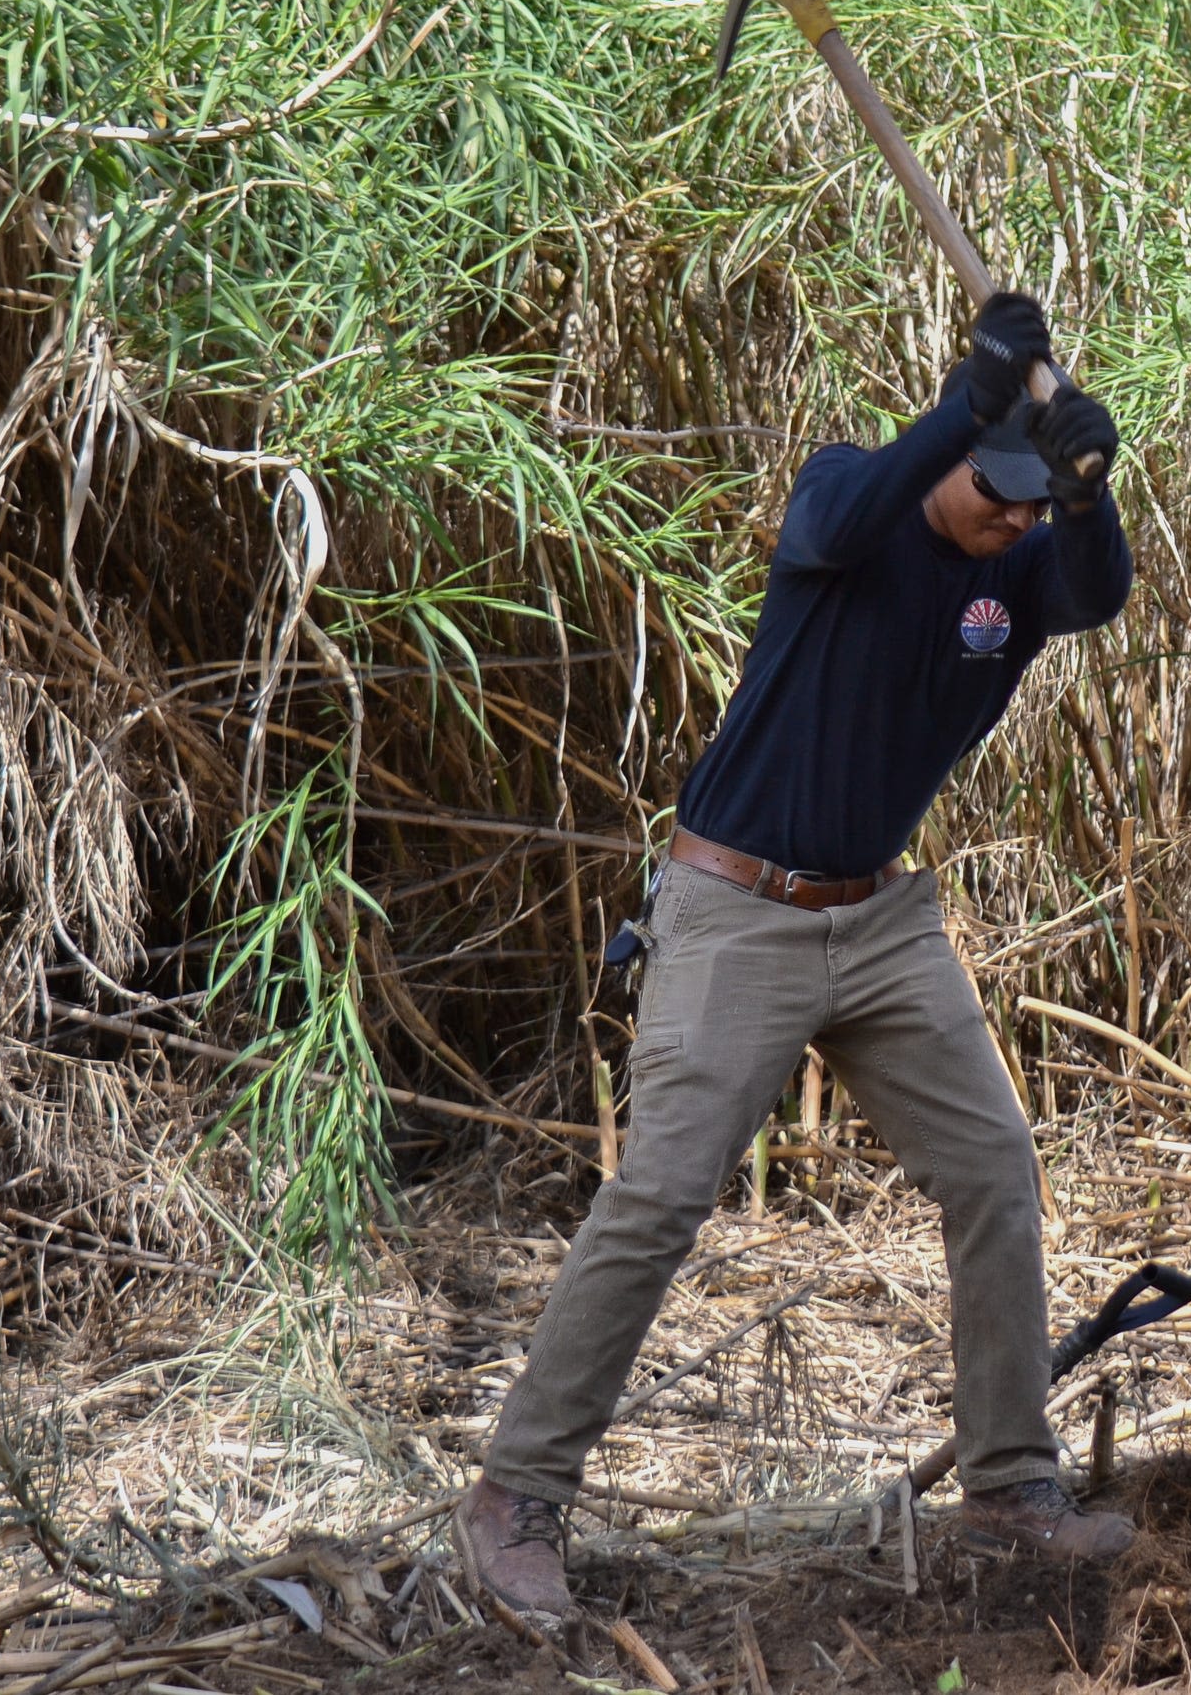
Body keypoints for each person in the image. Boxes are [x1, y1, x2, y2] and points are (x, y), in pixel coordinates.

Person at [456, 293, 1135, 1620]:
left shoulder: (1022, 560)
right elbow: (836, 517)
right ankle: (513, 1498)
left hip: (879, 920)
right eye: (993, 492)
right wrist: (970, 398)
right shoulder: (854, 503)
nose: (1009, 518)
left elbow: (1096, 589)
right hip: (735, 910)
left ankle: (1008, 1485)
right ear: (943, 453)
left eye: (1027, 502)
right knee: (658, 1195)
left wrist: (1089, 486)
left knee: (993, 1161)